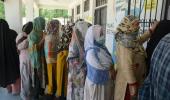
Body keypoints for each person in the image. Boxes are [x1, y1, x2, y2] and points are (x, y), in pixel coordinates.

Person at [114, 15, 158, 100]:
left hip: (134, 79)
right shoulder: (124, 43)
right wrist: (132, 84)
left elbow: (140, 40)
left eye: (138, 24)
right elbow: (126, 66)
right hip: (127, 83)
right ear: (128, 25)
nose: (138, 26)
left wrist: (151, 30)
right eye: (136, 24)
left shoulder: (130, 38)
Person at [84, 25, 115, 100]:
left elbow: (109, 62)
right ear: (93, 36)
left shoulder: (103, 48)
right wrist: (109, 72)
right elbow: (96, 70)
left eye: (102, 34)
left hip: (106, 83)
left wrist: (111, 69)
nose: (103, 36)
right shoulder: (91, 52)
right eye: (100, 34)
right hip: (97, 86)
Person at [138, 33, 170, 100]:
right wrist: (132, 83)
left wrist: (150, 31)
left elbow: (147, 86)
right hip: (131, 81)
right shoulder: (126, 42)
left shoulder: (164, 39)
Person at [67, 20, 89, 100]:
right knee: (78, 90)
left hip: (76, 72)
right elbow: (74, 59)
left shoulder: (79, 40)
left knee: (76, 90)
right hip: (78, 72)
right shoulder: (77, 43)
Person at [0, 19, 20, 94]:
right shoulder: (12, 33)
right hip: (13, 58)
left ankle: (8, 89)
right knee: (13, 73)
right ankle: (15, 90)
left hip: (2, 60)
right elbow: (18, 44)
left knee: (5, 74)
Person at [28, 17, 46, 100]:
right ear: (38, 24)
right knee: (37, 78)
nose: (44, 25)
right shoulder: (33, 34)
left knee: (41, 76)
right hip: (36, 60)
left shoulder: (41, 32)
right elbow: (34, 48)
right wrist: (43, 39)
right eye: (42, 23)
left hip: (42, 58)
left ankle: (40, 92)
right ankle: (35, 96)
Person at [16, 22, 33, 100]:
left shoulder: (25, 35)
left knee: (28, 77)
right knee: (25, 77)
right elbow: (20, 46)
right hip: (24, 60)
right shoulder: (22, 35)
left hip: (27, 59)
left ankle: (28, 94)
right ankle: (24, 95)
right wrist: (28, 39)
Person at [44, 20, 60, 98]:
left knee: (51, 76)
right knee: (54, 76)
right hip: (54, 59)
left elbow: (49, 52)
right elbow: (51, 51)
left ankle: (51, 92)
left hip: (51, 59)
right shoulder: (55, 36)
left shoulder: (49, 36)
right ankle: (53, 92)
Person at [56, 24, 73, 99]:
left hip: (62, 60)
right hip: (64, 61)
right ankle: (63, 95)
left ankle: (61, 94)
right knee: (64, 80)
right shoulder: (70, 36)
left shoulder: (63, 36)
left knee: (61, 80)